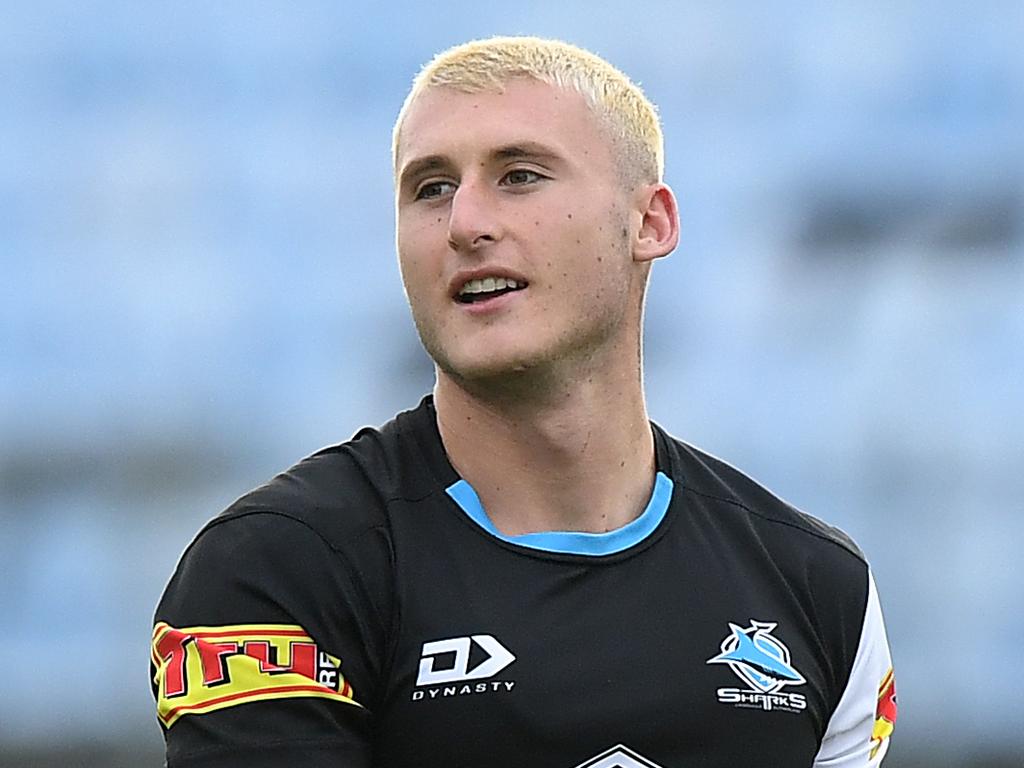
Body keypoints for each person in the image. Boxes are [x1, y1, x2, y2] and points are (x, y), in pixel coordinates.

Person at [151, 36, 897, 767]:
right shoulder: (281, 569)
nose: (465, 224)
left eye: (520, 175)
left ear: (650, 223)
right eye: (430, 187)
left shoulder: (818, 589)